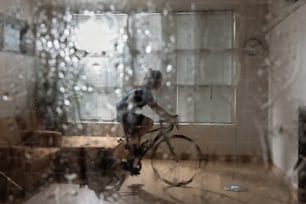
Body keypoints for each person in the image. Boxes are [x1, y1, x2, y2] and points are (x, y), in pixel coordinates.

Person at [116, 68, 177, 175]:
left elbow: (155, 107)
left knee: (139, 135)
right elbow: (155, 108)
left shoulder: (145, 90)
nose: (160, 83)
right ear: (154, 81)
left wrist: (169, 117)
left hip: (125, 113)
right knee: (148, 123)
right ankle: (132, 145)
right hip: (125, 114)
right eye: (160, 81)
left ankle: (131, 156)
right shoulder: (145, 91)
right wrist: (170, 117)